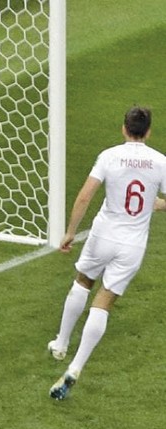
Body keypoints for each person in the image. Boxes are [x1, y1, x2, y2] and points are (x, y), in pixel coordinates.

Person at [48, 106, 166, 400]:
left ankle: (61, 344)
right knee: (104, 301)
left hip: (103, 234)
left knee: (83, 281)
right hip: (132, 244)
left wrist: (71, 231)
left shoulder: (109, 156)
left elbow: (86, 195)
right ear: (148, 131)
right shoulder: (160, 162)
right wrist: (157, 204)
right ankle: (75, 367)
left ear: (124, 128)